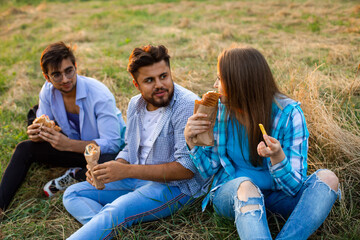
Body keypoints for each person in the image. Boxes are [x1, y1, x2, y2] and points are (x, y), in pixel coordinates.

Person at [184, 47, 340, 239]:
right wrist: (192, 142)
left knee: (328, 179)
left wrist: (278, 157)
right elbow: (208, 170)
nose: (215, 85)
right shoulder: (218, 111)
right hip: (233, 195)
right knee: (246, 186)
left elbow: (293, 187)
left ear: (240, 83)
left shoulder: (288, 114)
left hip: (277, 196)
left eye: (220, 79)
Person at [63, 44, 207, 239]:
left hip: (174, 187)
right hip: (136, 177)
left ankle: (106, 223)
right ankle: (105, 227)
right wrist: (113, 168)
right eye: (149, 80)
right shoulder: (134, 105)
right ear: (136, 84)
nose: (159, 85)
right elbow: (130, 147)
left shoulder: (186, 104)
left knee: (115, 211)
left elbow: (186, 169)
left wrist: (126, 170)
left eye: (163, 76)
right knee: (72, 194)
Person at [0, 42, 126, 215]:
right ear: (47, 77)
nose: (65, 79)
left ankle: (76, 175)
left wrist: (68, 145)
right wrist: (37, 134)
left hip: (100, 153)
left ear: (75, 67)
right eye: (56, 75)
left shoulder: (99, 95)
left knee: (112, 161)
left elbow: (113, 143)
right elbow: (45, 126)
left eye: (69, 71)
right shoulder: (47, 91)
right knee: (24, 147)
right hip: (72, 149)